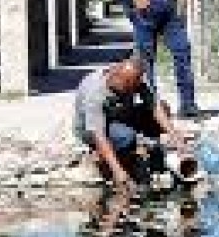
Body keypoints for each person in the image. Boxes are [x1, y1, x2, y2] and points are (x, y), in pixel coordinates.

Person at [74, 57, 188, 188]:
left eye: (133, 87)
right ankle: (109, 159)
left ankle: (154, 154)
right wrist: (117, 171)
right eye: (127, 88)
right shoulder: (95, 93)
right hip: (91, 130)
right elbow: (98, 134)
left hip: (119, 117)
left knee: (164, 108)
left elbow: (154, 107)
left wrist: (175, 138)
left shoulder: (134, 78)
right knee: (126, 136)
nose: (131, 91)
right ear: (116, 78)